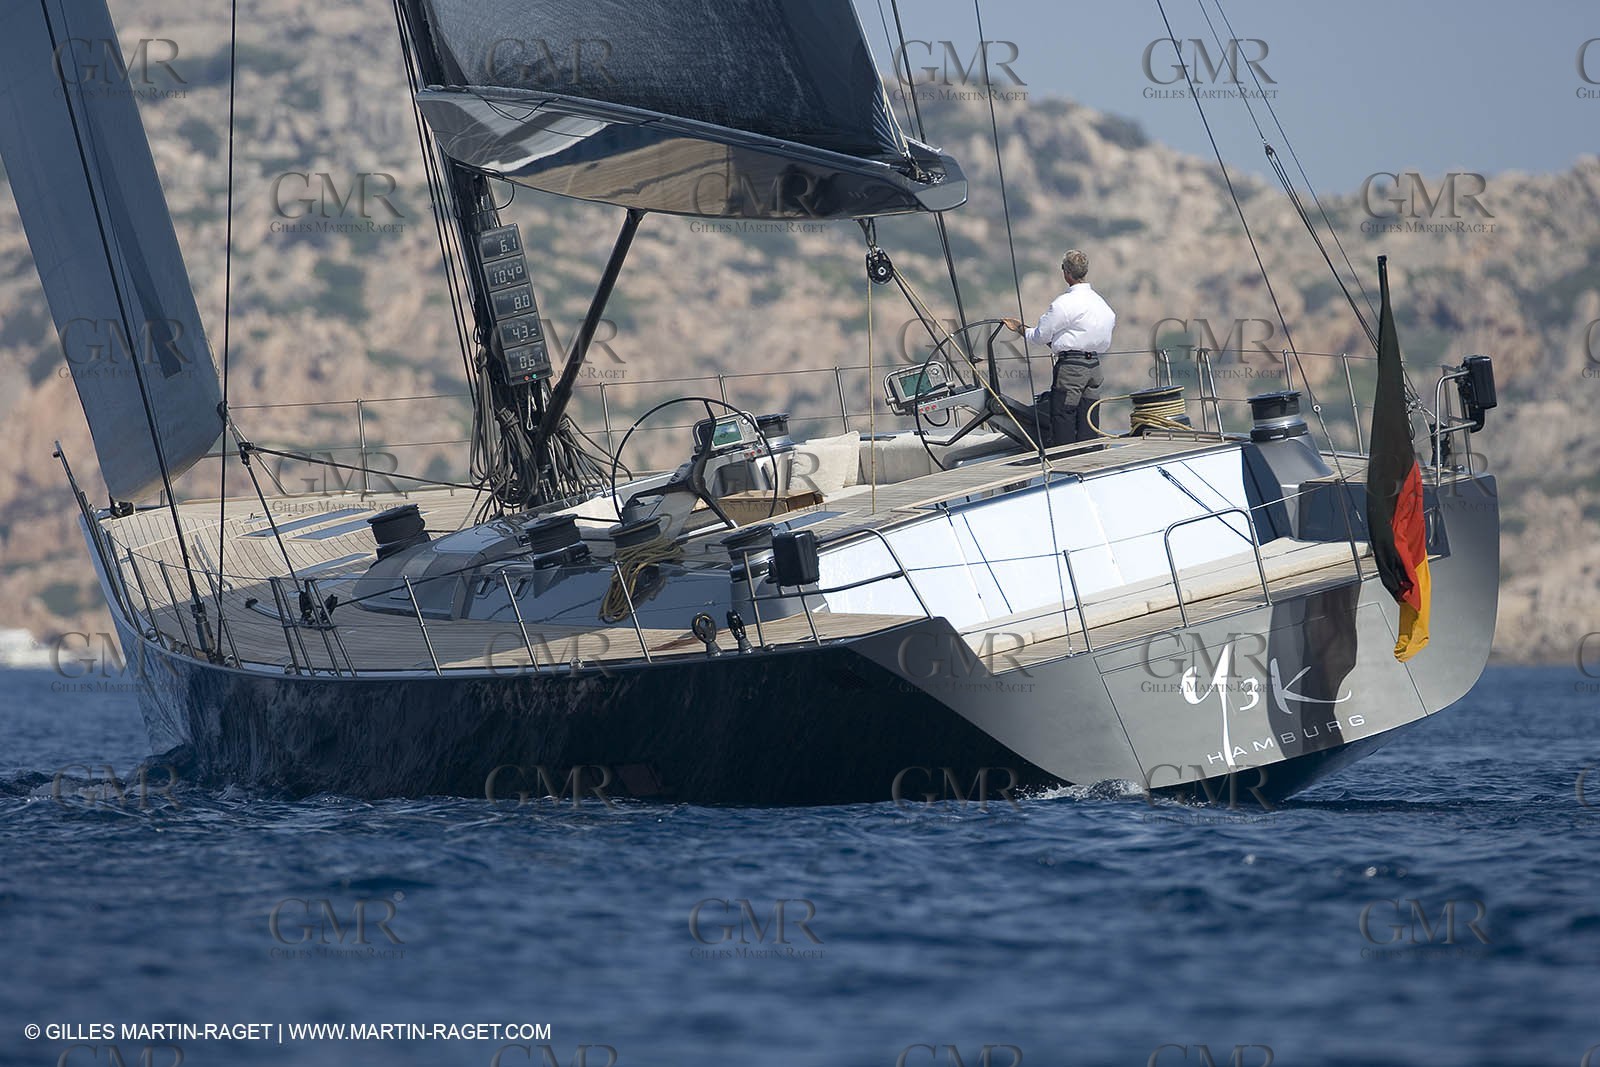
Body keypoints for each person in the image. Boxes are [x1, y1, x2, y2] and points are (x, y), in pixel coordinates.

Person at [1002, 249, 1115, 445]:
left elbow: (1039, 336)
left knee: (1063, 414)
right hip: (1094, 367)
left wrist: (1019, 327)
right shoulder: (1101, 303)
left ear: (1066, 273)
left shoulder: (1063, 304)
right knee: (1088, 415)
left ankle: (1066, 456)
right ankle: (1089, 454)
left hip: (1071, 368)